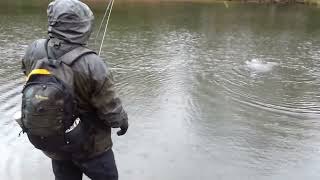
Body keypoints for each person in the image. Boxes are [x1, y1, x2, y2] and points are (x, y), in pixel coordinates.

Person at [21, 0, 129, 179]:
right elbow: (111, 110)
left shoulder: (34, 49)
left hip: (55, 144)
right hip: (92, 148)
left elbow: (28, 75)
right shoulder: (93, 63)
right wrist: (122, 121)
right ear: (84, 25)